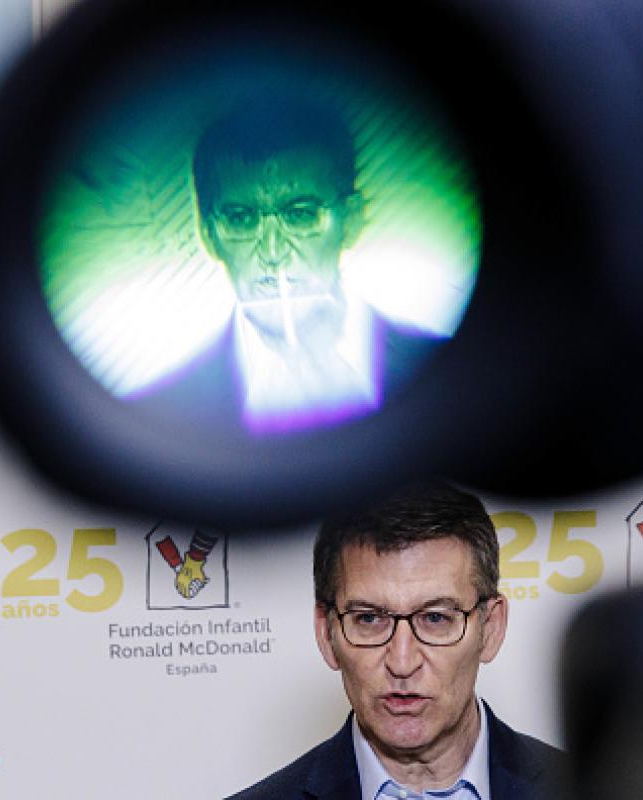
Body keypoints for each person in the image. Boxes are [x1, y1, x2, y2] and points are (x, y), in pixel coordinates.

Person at [230, 482, 566, 799]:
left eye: (435, 618)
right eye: (369, 619)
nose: (402, 663)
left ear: (490, 627)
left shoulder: (582, 789)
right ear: (326, 633)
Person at [135, 96, 435, 436]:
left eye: (300, 215)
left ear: (350, 221)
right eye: (241, 218)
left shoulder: (449, 372)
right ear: (208, 235)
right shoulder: (160, 419)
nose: (273, 252)